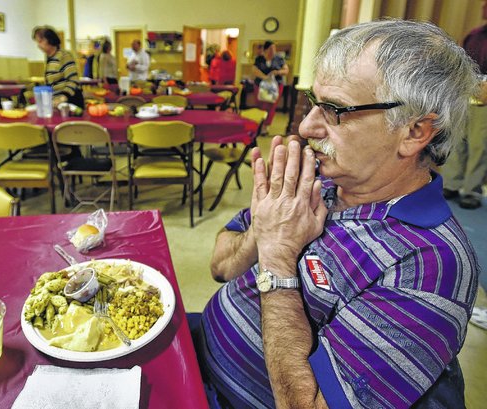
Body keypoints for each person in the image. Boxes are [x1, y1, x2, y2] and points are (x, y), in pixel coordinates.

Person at [193, 19, 479, 409]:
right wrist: (262, 229)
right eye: (314, 103)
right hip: (198, 354)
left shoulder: (431, 262)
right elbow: (220, 267)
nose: (307, 126)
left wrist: (277, 257)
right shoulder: (319, 179)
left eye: (336, 111)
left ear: (414, 132)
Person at [441, 0, 487, 209]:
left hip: (485, 102)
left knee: (479, 147)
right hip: (466, 94)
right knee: (458, 142)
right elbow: (461, 61)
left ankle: (471, 191)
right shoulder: (474, 34)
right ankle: (451, 183)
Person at [32, 26, 84, 108]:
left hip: (70, 102)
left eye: (40, 41)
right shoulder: (49, 59)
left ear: (49, 39)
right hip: (58, 103)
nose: (38, 45)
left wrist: (63, 98)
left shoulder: (64, 56)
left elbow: (73, 80)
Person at [252, 41, 289, 125]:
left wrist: (277, 72)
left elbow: (286, 70)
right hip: (260, 85)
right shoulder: (259, 59)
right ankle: (259, 124)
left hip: (275, 85)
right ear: (265, 50)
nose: (273, 51)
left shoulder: (279, 59)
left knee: (271, 105)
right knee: (261, 104)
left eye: (274, 49)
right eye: (271, 49)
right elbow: (254, 70)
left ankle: (266, 125)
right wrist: (265, 77)